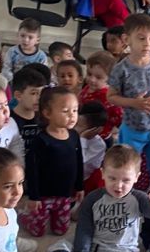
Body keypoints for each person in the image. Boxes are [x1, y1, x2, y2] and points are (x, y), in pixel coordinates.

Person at [107, 13, 150, 188]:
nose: (147, 44)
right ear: (126, 39)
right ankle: (125, 195)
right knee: (127, 166)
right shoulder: (121, 69)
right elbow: (111, 96)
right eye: (141, 38)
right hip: (133, 128)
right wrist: (134, 103)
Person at [20, 87, 83, 237]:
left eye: (75, 110)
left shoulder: (74, 136)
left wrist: (79, 186)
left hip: (65, 194)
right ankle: (24, 217)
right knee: (38, 232)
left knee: (60, 231)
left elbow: (79, 161)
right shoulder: (41, 140)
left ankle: (53, 216)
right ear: (47, 113)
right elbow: (32, 170)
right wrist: (34, 196)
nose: (72, 115)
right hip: (43, 195)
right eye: (65, 111)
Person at [78, 51, 122, 139]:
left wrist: (114, 132)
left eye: (98, 77)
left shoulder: (109, 96)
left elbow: (120, 117)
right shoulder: (87, 88)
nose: (92, 79)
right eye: (89, 74)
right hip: (82, 132)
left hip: (100, 137)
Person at [10, 65, 48, 159]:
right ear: (18, 95)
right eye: (33, 93)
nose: (39, 98)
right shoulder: (8, 120)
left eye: (41, 93)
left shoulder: (44, 118)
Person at [76, 100, 108, 194]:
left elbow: (80, 162)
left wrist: (83, 139)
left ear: (96, 129)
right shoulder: (70, 134)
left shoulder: (99, 145)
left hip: (85, 182)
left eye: (79, 126)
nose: (73, 128)